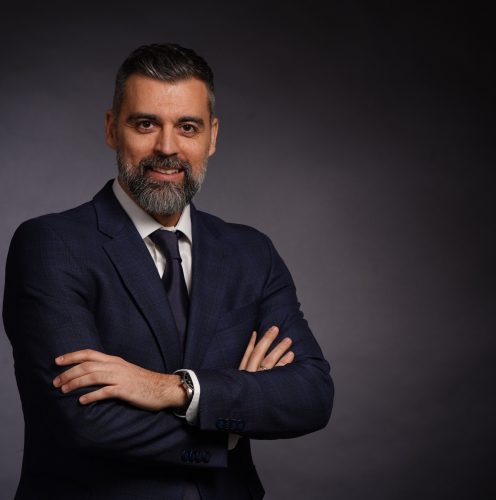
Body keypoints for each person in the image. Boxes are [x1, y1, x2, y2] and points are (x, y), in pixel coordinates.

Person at [3, 43, 334, 500]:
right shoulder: (51, 245)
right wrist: (230, 424)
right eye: (145, 124)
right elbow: (82, 420)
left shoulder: (251, 253)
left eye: (187, 127)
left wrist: (175, 390)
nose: (166, 148)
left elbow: (311, 395)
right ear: (111, 129)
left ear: (212, 137)